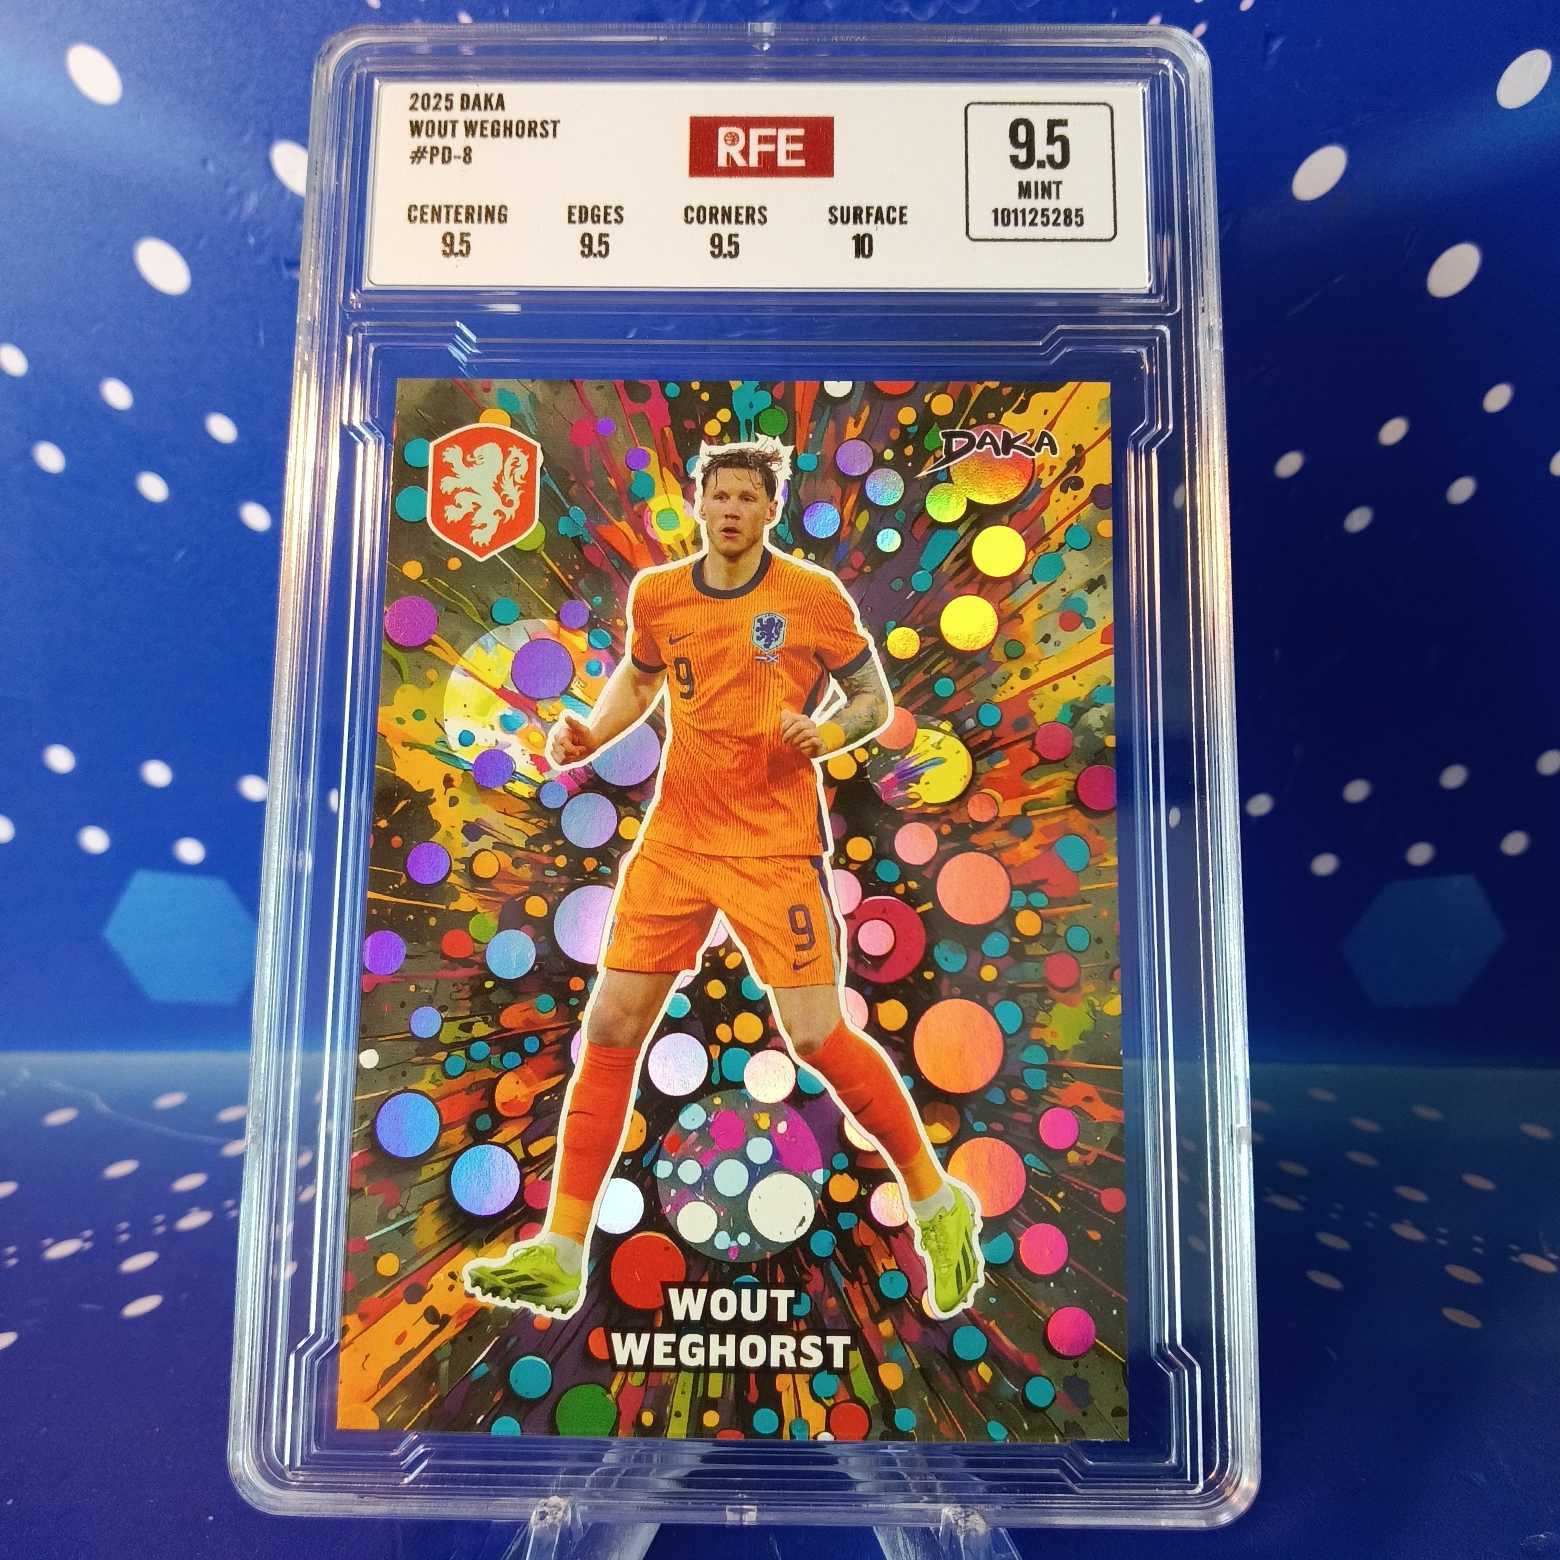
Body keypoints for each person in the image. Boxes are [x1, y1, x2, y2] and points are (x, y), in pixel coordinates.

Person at [462, 438, 983, 1321]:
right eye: (720, 495)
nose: (732, 509)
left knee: (816, 1035)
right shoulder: (659, 593)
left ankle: (938, 1204)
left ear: (771, 510)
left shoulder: (812, 596)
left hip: (774, 845)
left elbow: (873, 699)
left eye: (749, 497)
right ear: (698, 503)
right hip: (676, 841)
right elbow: (641, 679)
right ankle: (560, 1250)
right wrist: (591, 733)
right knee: (611, 1025)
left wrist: (833, 733)